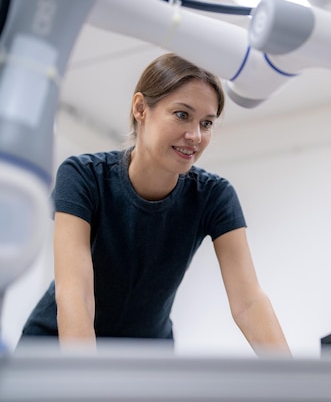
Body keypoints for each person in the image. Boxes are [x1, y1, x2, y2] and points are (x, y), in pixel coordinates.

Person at [19, 53, 290, 355]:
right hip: (57, 349)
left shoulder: (214, 196)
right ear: (140, 109)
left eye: (207, 123)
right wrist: (85, 381)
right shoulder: (82, 176)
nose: (195, 135)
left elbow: (249, 302)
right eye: (182, 114)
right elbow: (76, 294)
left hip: (146, 354)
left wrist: (293, 382)